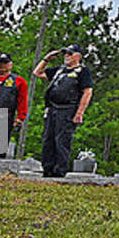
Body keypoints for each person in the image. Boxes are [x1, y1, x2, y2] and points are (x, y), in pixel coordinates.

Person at [33, 45, 93, 177]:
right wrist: (46, 59)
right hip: (53, 108)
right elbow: (37, 73)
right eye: (65, 53)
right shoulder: (60, 70)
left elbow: (87, 92)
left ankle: (59, 171)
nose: (67, 56)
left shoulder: (82, 71)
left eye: (70, 54)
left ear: (78, 56)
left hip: (68, 109)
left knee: (62, 141)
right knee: (48, 140)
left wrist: (79, 113)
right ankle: (47, 169)